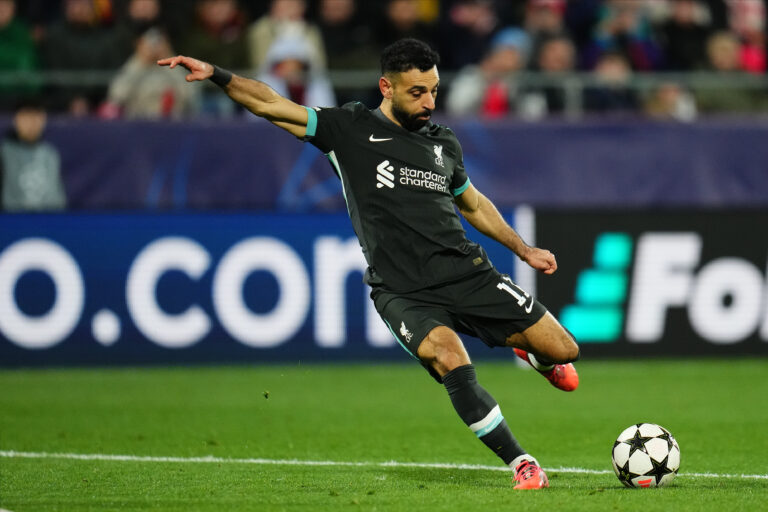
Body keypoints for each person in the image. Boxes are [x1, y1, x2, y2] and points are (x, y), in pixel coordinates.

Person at [158, 38, 580, 490]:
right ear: (386, 87)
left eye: (434, 90)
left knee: (565, 352)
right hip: (403, 291)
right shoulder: (349, 129)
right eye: (417, 92)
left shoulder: (444, 144)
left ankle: (532, 353)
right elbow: (271, 104)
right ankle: (522, 463)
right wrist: (219, 75)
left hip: (466, 273)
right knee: (448, 357)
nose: (429, 102)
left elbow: (473, 205)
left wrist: (523, 250)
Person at [1, 99, 65, 211]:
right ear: (16, 120)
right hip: (11, 221)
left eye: (36, 117)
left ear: (43, 120)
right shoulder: (4, 153)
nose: (31, 123)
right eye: (26, 117)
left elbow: (57, 199)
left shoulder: (50, 154)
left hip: (49, 220)